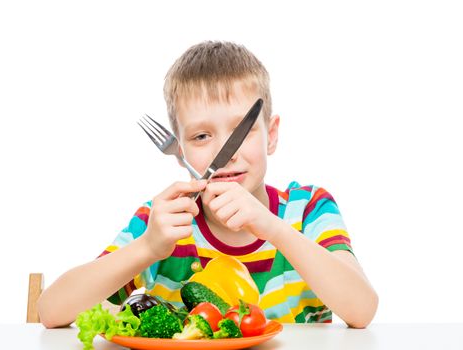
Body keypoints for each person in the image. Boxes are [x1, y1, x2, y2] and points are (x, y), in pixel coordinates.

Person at [38, 41, 378, 329]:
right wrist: (149, 247)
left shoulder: (308, 209)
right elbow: (51, 312)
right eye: (201, 136)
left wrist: (274, 229)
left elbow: (362, 310)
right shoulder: (163, 222)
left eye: (241, 132)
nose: (223, 154)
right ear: (179, 150)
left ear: (271, 136)